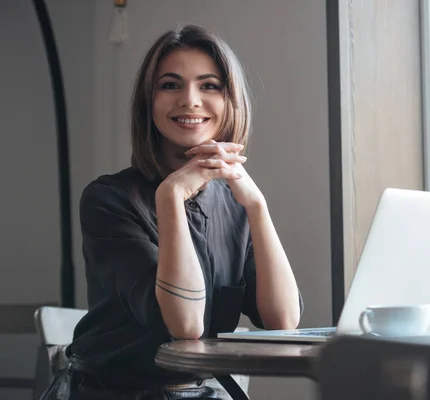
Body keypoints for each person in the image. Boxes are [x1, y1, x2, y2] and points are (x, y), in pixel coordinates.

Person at [41, 24, 303, 400]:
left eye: (209, 85)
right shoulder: (108, 200)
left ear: (230, 100)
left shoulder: (235, 203)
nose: (190, 100)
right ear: (149, 103)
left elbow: (283, 321)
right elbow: (185, 325)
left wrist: (258, 207)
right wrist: (171, 195)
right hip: (111, 393)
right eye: (170, 85)